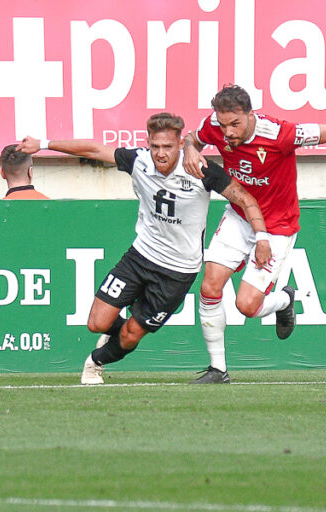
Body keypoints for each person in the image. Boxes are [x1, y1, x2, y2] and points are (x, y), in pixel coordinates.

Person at [18, 113, 270, 384]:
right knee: (97, 323)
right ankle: (117, 334)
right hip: (140, 257)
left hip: (178, 272)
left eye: (168, 147)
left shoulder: (201, 170)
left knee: (130, 336)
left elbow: (245, 199)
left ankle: (95, 362)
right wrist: (43, 144)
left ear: (180, 144)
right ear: (148, 143)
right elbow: (94, 150)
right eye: (155, 146)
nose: (161, 153)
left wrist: (262, 238)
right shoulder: (138, 160)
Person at [182, 84, 326, 384]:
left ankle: (284, 301)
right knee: (210, 286)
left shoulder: (280, 134)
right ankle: (218, 370)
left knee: (246, 306)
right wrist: (189, 148)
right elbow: (193, 138)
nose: (228, 133)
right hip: (239, 217)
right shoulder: (215, 124)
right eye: (223, 126)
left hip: (277, 226)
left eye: (234, 124)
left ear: (250, 115)